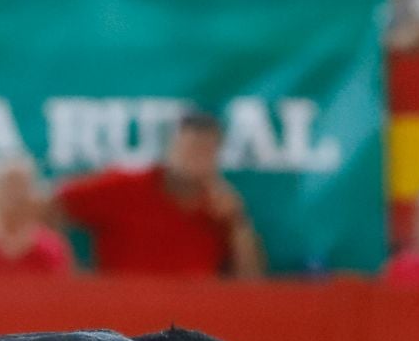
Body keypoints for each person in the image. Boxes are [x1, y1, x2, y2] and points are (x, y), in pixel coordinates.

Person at [49, 111, 265, 278]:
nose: (195, 159)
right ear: (170, 148)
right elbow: (50, 204)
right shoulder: (125, 187)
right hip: (124, 315)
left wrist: (238, 223)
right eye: (189, 149)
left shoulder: (221, 208)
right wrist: (71, 272)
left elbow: (251, 283)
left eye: (205, 152)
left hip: (192, 319)